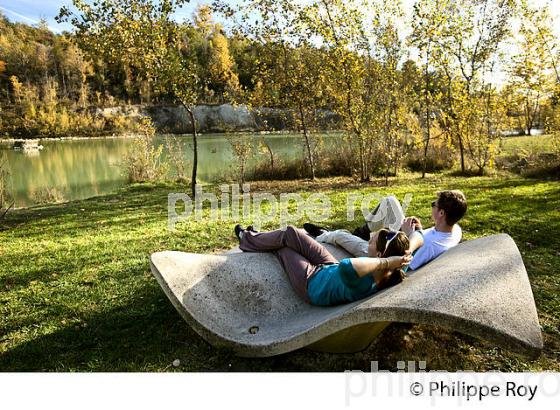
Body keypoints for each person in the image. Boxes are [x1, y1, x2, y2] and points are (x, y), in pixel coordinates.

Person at [234, 224, 411, 306]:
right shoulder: (395, 269)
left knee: (283, 248)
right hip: (330, 269)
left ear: (380, 256)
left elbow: (347, 265)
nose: (368, 241)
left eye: (370, 242)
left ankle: (247, 238)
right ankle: (257, 237)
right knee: (291, 233)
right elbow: (419, 239)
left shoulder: (364, 278)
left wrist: (387, 261)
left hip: (313, 283)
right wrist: (412, 235)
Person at [304, 190, 467, 272]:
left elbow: (405, 263)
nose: (432, 205)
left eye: (434, 204)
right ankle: (363, 231)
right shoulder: (454, 229)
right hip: (405, 237)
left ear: (441, 213)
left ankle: (323, 235)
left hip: (387, 252)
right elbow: (426, 240)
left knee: (340, 236)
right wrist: (419, 230)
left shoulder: (431, 245)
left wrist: (408, 234)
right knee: (390, 202)